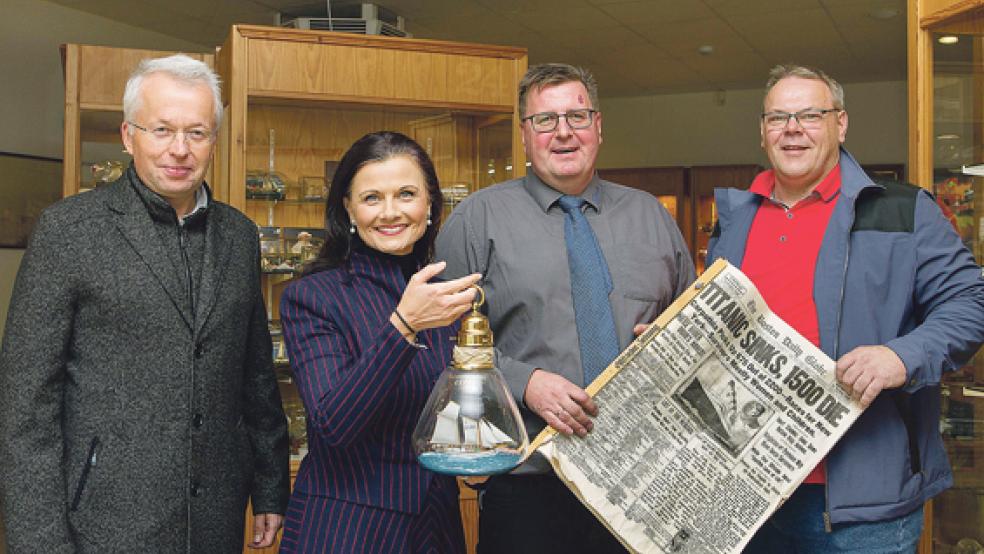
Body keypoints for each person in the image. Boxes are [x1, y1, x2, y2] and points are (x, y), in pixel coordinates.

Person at [0, 54, 290, 553]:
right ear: (128, 135)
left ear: (214, 142)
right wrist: (38, 541)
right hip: (101, 521)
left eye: (197, 133)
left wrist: (269, 486)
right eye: (161, 129)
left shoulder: (239, 237)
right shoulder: (68, 231)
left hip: (214, 518)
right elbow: (25, 404)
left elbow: (256, 376)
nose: (179, 149)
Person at [706, 64, 984, 553]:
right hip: (751, 491)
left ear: (841, 123)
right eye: (778, 118)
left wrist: (902, 355)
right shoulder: (735, 219)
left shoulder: (903, 210)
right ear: (762, 131)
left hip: (862, 504)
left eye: (810, 115)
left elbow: (971, 302)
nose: (792, 129)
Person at [436, 63, 696, 553]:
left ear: (598, 126)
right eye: (545, 121)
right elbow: (437, 345)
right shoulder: (477, 220)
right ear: (523, 134)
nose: (563, 133)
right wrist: (522, 381)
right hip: (530, 483)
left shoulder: (651, 217)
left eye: (577, 117)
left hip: (646, 483)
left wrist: (671, 344)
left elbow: (693, 329)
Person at [277, 131, 481, 553]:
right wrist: (404, 325)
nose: (390, 212)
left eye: (406, 194)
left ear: (429, 204)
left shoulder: (445, 297)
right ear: (348, 209)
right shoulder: (313, 297)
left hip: (438, 525)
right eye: (372, 198)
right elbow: (333, 425)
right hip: (347, 529)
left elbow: (452, 408)